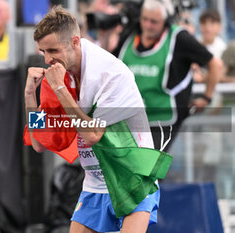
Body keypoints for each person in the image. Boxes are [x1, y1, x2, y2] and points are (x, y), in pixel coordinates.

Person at [24, 6, 171, 233]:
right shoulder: (58, 77)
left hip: (132, 178)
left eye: (53, 50)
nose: (48, 60)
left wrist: (61, 90)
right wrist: (30, 98)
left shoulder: (111, 74)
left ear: (74, 42)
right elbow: (39, 142)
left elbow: (92, 134)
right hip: (94, 184)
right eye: (43, 52)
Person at [112, 0, 223, 151]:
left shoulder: (179, 38)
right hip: (131, 120)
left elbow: (215, 64)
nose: (148, 25)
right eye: (144, 19)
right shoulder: (129, 38)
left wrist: (206, 98)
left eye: (154, 21)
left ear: (165, 21)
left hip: (163, 120)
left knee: (149, 171)